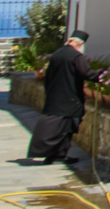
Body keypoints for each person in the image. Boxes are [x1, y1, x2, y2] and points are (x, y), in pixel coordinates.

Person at [21, 28, 90, 166]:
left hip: (55, 96)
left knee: (61, 128)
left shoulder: (58, 54)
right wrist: (100, 76)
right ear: (79, 43)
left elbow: (49, 76)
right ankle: (57, 154)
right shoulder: (76, 56)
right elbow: (85, 73)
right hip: (70, 98)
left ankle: (57, 155)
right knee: (65, 128)